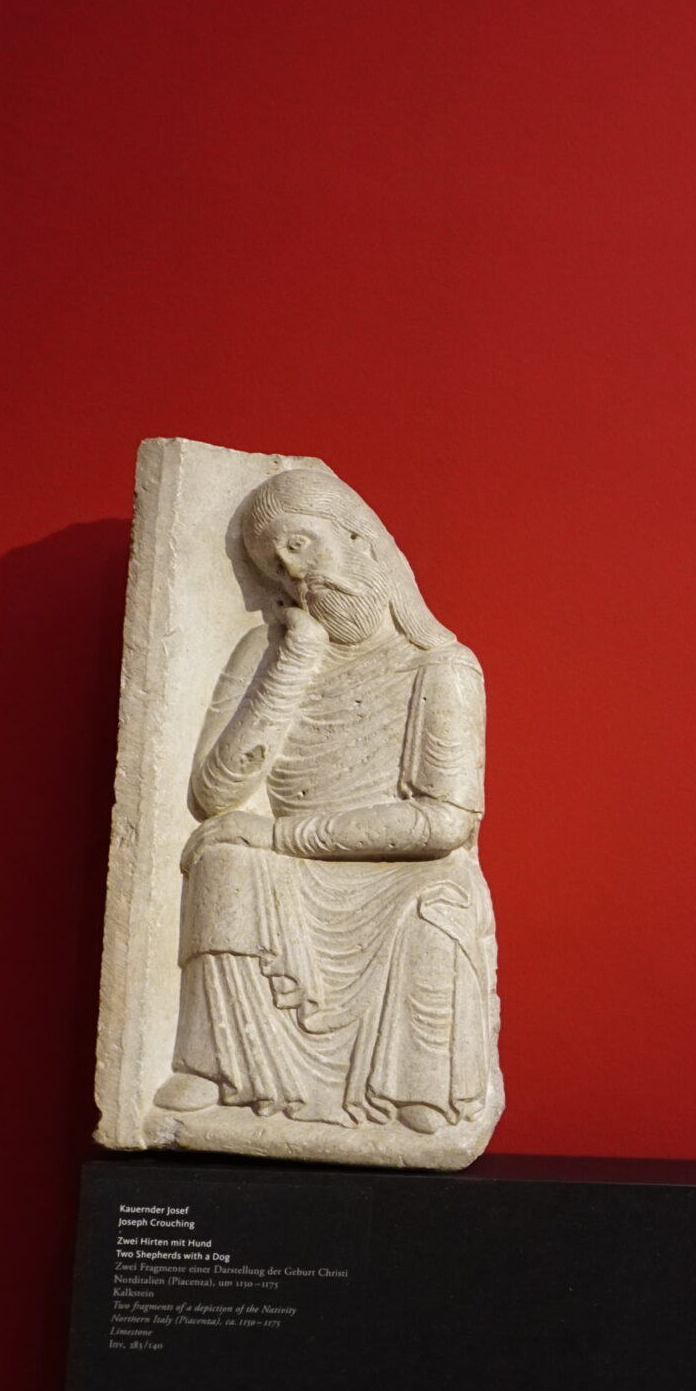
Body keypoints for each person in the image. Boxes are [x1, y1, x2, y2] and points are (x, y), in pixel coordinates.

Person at [153, 468, 498, 1136]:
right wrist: (294, 662)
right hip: (290, 877)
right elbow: (215, 793)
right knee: (222, 860)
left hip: (395, 874)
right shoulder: (265, 652)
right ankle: (216, 1066)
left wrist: (280, 837)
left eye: (300, 543)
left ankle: (411, 1083)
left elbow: (444, 822)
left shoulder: (441, 667)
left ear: (358, 538)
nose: (292, 572)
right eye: (273, 565)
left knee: (438, 904)